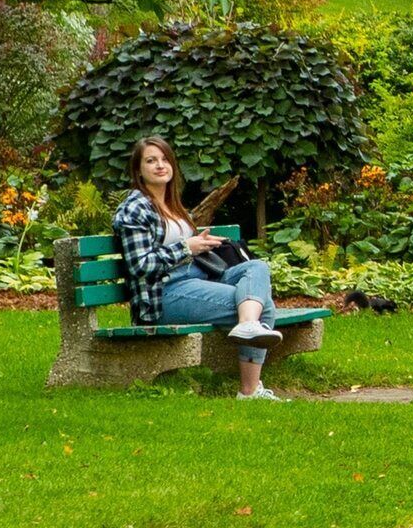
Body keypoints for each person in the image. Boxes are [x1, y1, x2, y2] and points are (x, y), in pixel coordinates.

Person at [113, 134, 287, 400]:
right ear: (138, 170)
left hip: (195, 278)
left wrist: (202, 243)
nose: (160, 165)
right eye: (151, 161)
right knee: (260, 304)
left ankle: (248, 330)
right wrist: (186, 247)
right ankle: (249, 390)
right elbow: (140, 265)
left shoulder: (171, 204)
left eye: (164, 159)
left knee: (257, 268)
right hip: (163, 294)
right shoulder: (134, 209)